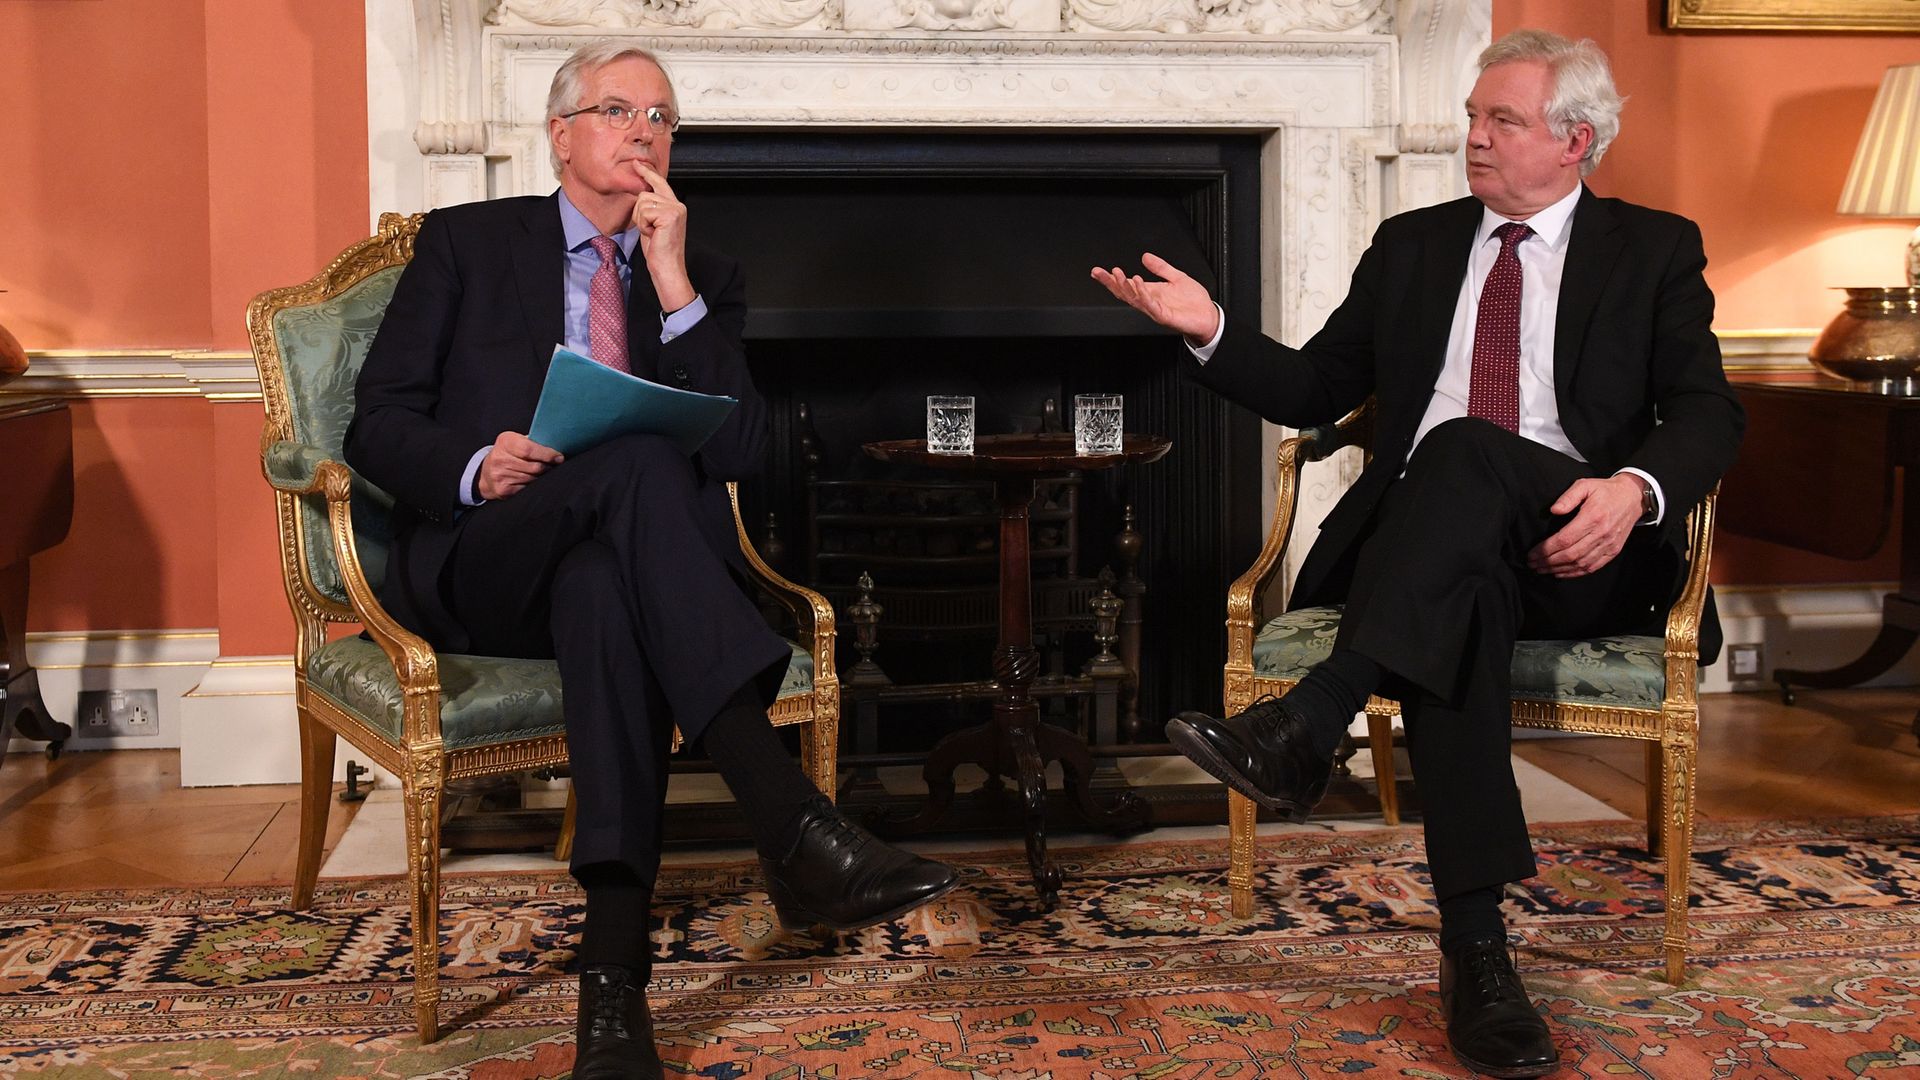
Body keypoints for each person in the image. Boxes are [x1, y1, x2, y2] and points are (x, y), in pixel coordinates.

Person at [1092, 28, 1742, 1079]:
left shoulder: (1654, 250)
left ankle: (1312, 716)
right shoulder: (1415, 246)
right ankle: (1479, 957)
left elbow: (1712, 413)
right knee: (1456, 583)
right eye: (1472, 118)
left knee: (1467, 452)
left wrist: (1633, 490)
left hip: (1583, 548)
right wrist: (1211, 328)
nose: (1473, 140)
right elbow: (1314, 391)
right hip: (1434, 558)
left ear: (1576, 140)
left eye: (1503, 122)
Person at [344, 42, 958, 1079]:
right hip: (485, 557)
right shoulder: (468, 244)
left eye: (662, 118)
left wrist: (672, 284)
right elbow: (375, 424)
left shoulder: (704, 274)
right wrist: (472, 463)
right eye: (618, 110)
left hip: (612, 575)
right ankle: (793, 822)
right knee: (631, 465)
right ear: (561, 133)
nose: (643, 133)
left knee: (603, 595)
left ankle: (613, 991)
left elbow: (735, 457)